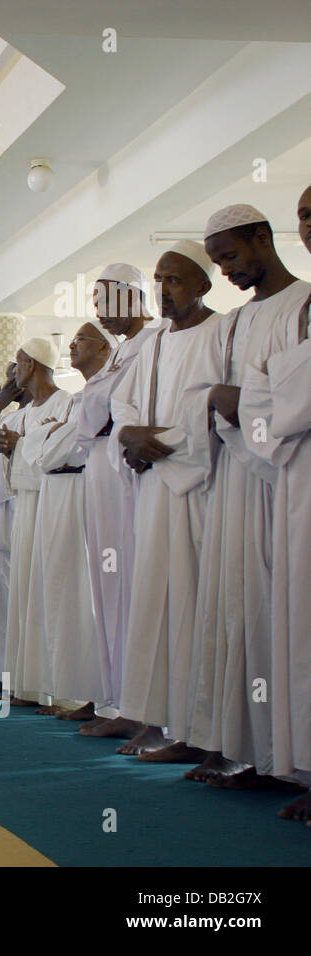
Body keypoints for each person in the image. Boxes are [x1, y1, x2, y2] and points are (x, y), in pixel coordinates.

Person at [187, 203, 310, 789]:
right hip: (237, 478)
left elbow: (288, 394)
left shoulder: (305, 303)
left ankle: (288, 759)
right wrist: (224, 403)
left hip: (286, 480)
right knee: (235, 610)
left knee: (281, 615)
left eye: (232, 257)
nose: (227, 272)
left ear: (263, 238)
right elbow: (215, 397)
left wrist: (240, 402)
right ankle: (252, 749)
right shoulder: (232, 322)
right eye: (217, 263)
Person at [109, 241, 221, 766]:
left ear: (203, 284)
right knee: (154, 602)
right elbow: (122, 402)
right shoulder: (151, 344)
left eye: (175, 280)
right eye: (158, 281)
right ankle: (158, 718)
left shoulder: (223, 332)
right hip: (153, 487)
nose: (164, 291)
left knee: (199, 606)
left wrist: (159, 443)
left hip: (204, 489)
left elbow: (220, 407)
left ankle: (202, 730)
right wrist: (131, 436)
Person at [238, 184, 311, 821]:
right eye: (304, 214)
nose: (308, 224)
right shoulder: (288, 307)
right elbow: (271, 393)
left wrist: (245, 397)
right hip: (292, 473)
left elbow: (274, 388)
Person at [74, 264, 155, 738]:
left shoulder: (157, 339)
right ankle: (119, 697)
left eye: (104, 300)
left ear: (130, 295)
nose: (100, 312)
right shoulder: (123, 352)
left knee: (132, 585)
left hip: (131, 471)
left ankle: (142, 705)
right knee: (109, 587)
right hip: (102, 470)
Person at [33, 323, 112, 715]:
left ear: (102, 348)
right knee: (71, 596)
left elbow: (58, 450)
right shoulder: (82, 397)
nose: (72, 346)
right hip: (66, 495)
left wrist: (54, 437)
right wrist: (53, 439)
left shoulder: (110, 387)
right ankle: (88, 694)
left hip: (90, 494)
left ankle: (108, 702)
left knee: (93, 601)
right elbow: (46, 454)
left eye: (80, 340)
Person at [0, 338, 71, 704]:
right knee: (24, 591)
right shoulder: (22, 413)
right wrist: (9, 445)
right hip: (26, 504)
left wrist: (18, 444)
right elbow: (4, 451)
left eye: (19, 362)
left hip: (55, 504)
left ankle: (55, 688)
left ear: (34, 365)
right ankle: (27, 683)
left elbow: (57, 453)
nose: (14, 370)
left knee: (49, 591)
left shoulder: (67, 402)